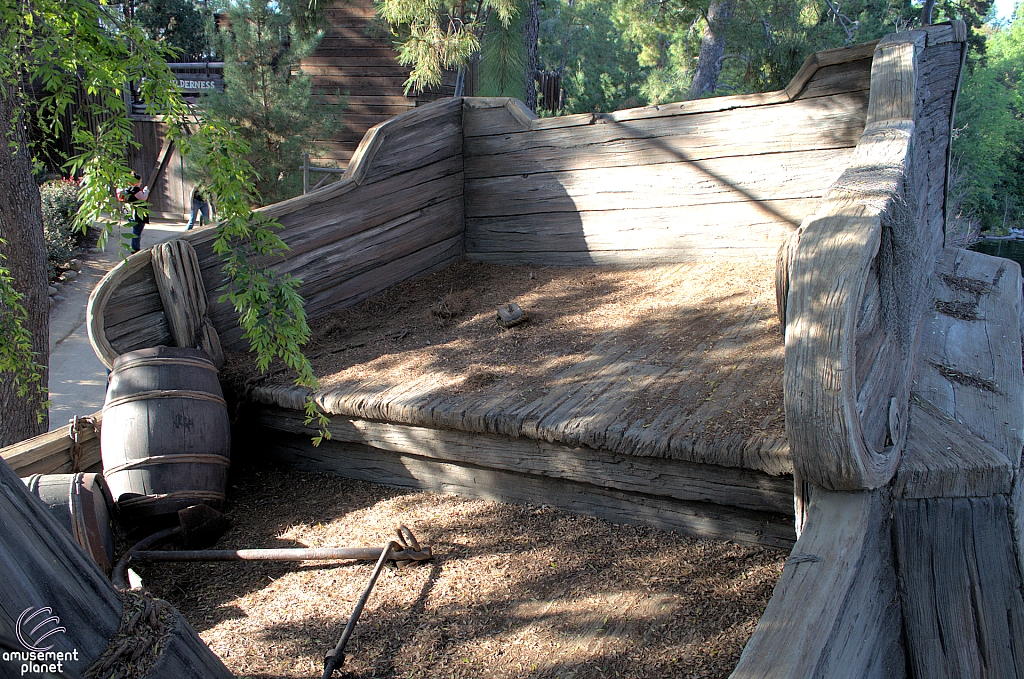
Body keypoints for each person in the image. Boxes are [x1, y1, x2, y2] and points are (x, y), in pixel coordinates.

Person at [117, 171, 149, 252]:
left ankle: (135, 247)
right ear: (136, 181)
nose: (140, 183)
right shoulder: (135, 189)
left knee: (136, 230)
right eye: (140, 181)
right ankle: (135, 248)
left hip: (131, 213)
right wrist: (146, 191)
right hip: (138, 213)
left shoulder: (127, 189)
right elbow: (142, 198)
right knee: (137, 231)